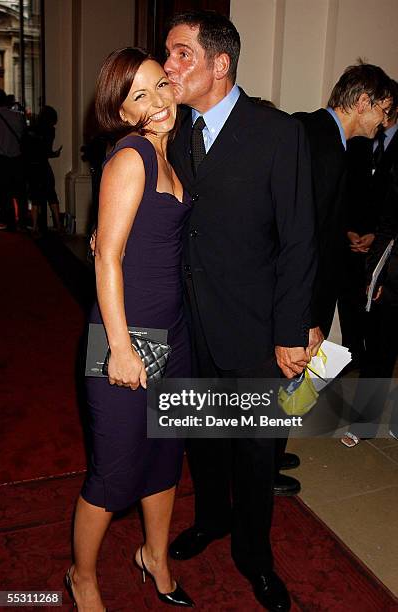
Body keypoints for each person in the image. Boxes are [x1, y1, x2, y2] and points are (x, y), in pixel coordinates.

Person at [164, 11, 316, 611]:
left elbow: (300, 238)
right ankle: (210, 519)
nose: (170, 66)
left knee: (255, 450)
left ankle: (255, 556)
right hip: (186, 322)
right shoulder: (170, 129)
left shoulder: (277, 133)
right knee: (200, 436)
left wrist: (290, 328)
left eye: (181, 55)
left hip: (255, 328)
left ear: (219, 63)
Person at [66, 48, 194, 611]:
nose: (160, 99)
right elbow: (107, 259)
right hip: (127, 336)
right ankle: (83, 576)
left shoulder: (174, 156)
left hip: (173, 334)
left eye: (162, 84)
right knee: (114, 475)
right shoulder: (133, 156)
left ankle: (155, 557)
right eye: (140, 94)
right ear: (121, 111)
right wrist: (119, 347)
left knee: (166, 457)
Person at [293, 62, 394, 362]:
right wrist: (308, 318)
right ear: (363, 103)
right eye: (384, 110)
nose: (386, 121)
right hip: (302, 307)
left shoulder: (310, 128)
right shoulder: (327, 148)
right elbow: (306, 237)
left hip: (298, 298)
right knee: (290, 396)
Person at [338, 81, 398, 371]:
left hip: (388, 258)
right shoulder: (356, 140)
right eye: (382, 110)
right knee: (376, 346)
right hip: (367, 250)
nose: (384, 120)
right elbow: (345, 189)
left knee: (382, 345)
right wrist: (350, 229)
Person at [24, 105, 63, 236]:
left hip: (32, 166)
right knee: (51, 195)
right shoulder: (50, 130)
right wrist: (55, 153)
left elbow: (26, 148)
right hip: (43, 166)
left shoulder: (31, 129)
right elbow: (46, 151)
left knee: (35, 197)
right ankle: (58, 226)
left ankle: (34, 227)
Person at [0, 88, 26, 230]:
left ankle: (9, 222)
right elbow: (23, 133)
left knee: (5, 192)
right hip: (17, 158)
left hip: (2, 159)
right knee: (20, 192)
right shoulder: (17, 116)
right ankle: (22, 221)